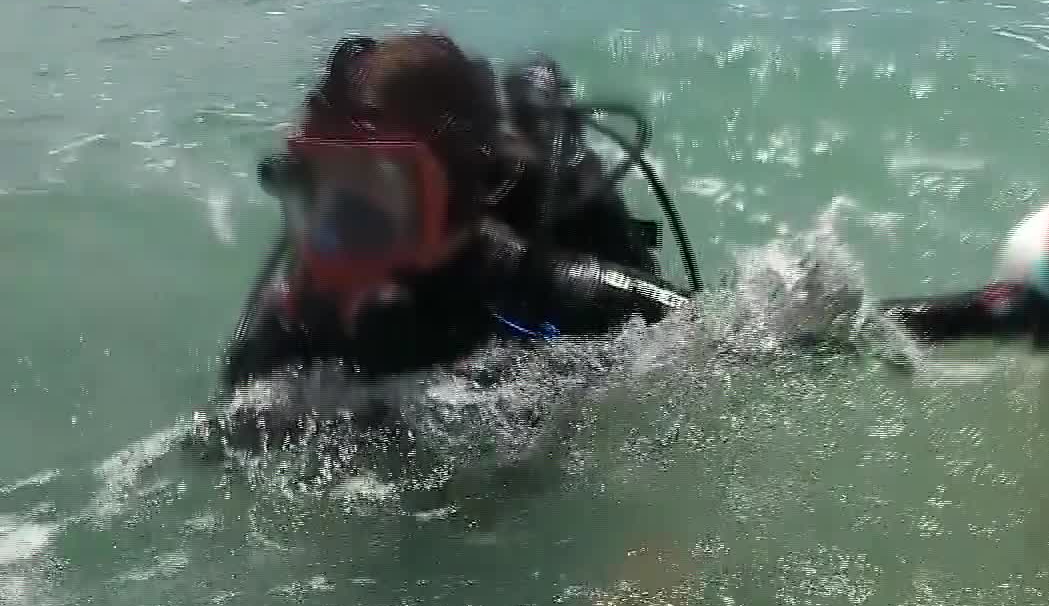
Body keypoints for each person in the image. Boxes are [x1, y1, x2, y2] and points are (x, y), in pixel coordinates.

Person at [204, 32, 702, 453]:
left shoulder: (567, 295)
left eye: (374, 197)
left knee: (568, 186)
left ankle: (539, 107)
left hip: (525, 204)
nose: (340, 233)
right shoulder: (289, 328)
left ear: (453, 196)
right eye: (317, 189)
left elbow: (722, 332)